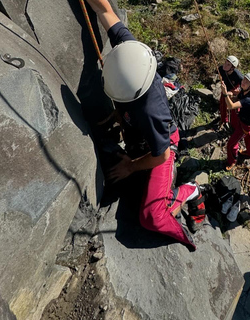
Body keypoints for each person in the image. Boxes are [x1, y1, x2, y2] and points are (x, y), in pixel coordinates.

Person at [86, 0, 205, 251]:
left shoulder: (151, 111)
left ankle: (189, 191)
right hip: (138, 136)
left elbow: (160, 155)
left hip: (160, 149)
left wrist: (130, 166)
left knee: (152, 217)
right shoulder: (132, 55)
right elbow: (105, 10)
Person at [221, 73, 250, 171]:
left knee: (231, 144)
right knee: (247, 135)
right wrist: (231, 93)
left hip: (245, 124)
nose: (243, 82)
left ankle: (232, 160)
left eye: (247, 82)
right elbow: (238, 94)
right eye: (244, 79)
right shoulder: (246, 90)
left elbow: (231, 106)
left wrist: (225, 94)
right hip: (249, 121)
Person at [218, 56, 243, 128]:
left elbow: (244, 87)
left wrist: (237, 91)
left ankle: (235, 125)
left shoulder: (238, 76)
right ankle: (224, 120)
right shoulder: (221, 69)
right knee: (222, 103)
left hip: (235, 91)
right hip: (226, 89)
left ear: (232, 68)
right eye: (225, 63)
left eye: (228, 64)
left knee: (235, 109)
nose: (225, 65)